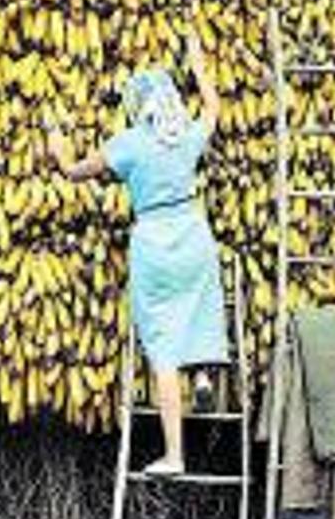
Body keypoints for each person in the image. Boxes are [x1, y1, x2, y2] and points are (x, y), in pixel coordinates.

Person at [48, 31, 228, 476]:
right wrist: (198, 62)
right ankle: (204, 374)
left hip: (155, 242)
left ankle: (174, 455)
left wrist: (56, 143)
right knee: (200, 312)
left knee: (163, 346)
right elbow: (213, 108)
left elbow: (75, 171)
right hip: (193, 233)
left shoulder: (129, 144)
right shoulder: (186, 135)